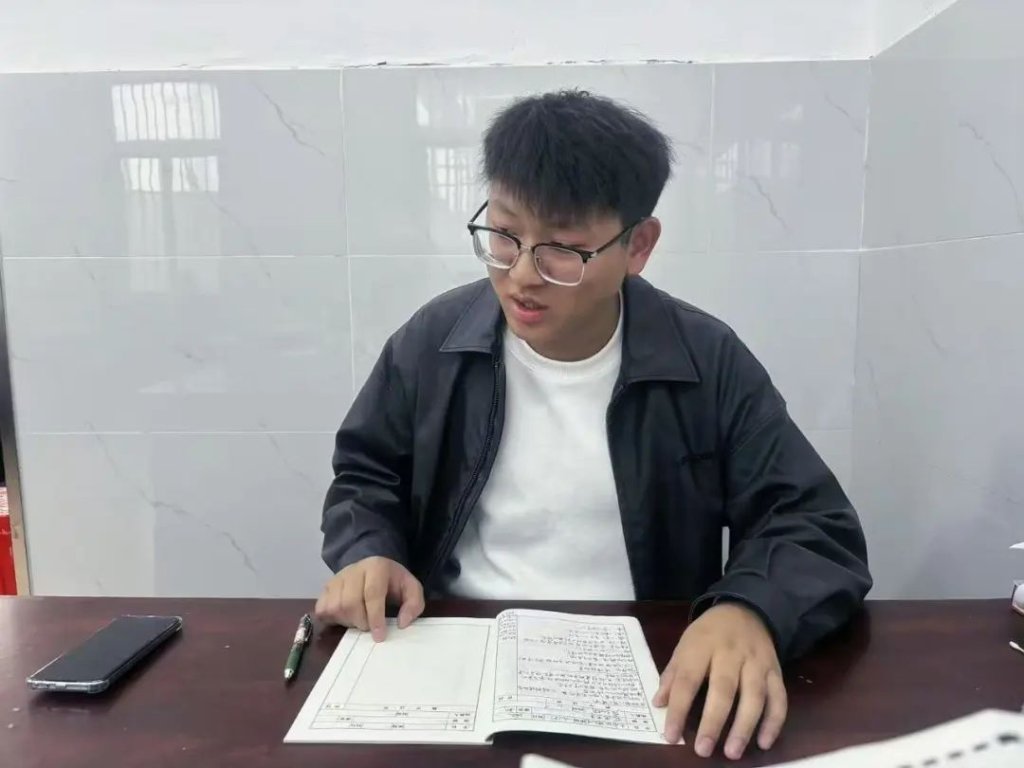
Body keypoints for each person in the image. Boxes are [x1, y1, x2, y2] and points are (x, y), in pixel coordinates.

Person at [315, 89, 871, 760]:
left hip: (648, 668)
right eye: (504, 235)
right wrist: (369, 549)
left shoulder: (705, 360)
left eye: (563, 250)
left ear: (639, 245)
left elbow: (812, 523)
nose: (522, 275)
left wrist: (748, 608)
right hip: (459, 647)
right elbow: (367, 471)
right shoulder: (435, 342)